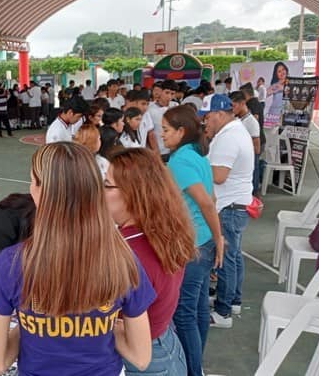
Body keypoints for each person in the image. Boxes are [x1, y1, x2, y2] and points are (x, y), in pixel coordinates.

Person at [0, 142, 155, 376]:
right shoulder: (123, 259)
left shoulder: (11, 263)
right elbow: (141, 357)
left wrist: (26, 329)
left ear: (41, 191)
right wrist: (104, 328)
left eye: (33, 181)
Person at [105, 148, 195, 375]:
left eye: (107, 185)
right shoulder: (165, 231)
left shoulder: (125, 253)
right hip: (166, 343)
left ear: (131, 194)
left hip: (139, 356)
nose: (100, 192)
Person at [162, 105, 225, 376]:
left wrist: (220, 238)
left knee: (184, 313)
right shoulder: (195, 154)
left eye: (166, 130)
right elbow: (210, 199)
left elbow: (206, 203)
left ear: (181, 131)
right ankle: (196, 365)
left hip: (194, 243)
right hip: (204, 239)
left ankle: (192, 370)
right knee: (198, 308)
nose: (161, 135)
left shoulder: (180, 161)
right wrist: (217, 237)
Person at [199, 94, 254, 329]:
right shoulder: (232, 131)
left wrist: (194, 170)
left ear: (220, 114)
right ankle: (233, 299)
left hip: (229, 206)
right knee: (234, 256)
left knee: (226, 258)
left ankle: (223, 312)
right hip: (236, 204)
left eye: (208, 117)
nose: (205, 123)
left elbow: (219, 176)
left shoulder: (229, 137)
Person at [230, 91, 261, 196]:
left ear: (243, 103)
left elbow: (257, 149)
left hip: (250, 158)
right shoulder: (238, 119)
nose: (232, 109)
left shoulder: (251, 122)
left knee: (252, 182)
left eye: (234, 106)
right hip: (241, 158)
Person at [147, 80, 178, 161]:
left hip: (174, 150)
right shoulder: (150, 109)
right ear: (160, 92)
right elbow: (150, 133)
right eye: (167, 93)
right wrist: (156, 152)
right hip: (159, 151)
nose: (169, 97)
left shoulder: (176, 106)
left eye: (172, 94)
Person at [265, 62, 289, 126]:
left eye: (283, 69)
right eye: (279, 71)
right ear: (276, 74)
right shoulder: (276, 85)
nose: (282, 72)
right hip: (274, 115)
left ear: (286, 70)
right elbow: (264, 95)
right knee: (271, 134)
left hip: (286, 115)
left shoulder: (292, 82)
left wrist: (283, 89)